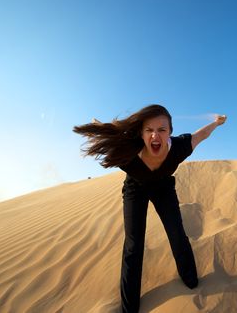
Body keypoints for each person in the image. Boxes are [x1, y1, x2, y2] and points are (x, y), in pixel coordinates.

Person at [73, 104, 227, 313]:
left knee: (177, 234)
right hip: (135, 189)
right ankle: (130, 308)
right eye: (149, 130)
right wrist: (97, 126)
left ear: (170, 133)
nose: (155, 135)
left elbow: (201, 135)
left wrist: (217, 123)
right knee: (134, 245)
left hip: (163, 187)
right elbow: (109, 136)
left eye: (162, 130)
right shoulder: (128, 150)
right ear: (141, 133)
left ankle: (191, 281)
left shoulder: (180, 146)